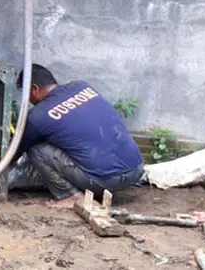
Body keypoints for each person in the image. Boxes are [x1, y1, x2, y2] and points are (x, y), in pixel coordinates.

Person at [11, 64, 145, 208]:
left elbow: (13, 153)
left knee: (36, 149)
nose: (29, 100)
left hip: (106, 180)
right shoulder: (83, 87)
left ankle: (71, 196)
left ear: (34, 89)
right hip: (136, 169)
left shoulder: (38, 116)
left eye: (27, 95)